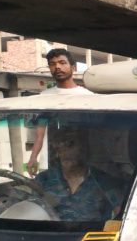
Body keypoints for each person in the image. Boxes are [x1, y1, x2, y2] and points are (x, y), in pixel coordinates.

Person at [27, 49, 93, 177]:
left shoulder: (87, 97)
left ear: (72, 67)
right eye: (53, 64)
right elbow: (40, 134)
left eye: (62, 63)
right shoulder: (44, 97)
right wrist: (33, 157)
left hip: (80, 162)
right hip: (49, 163)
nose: (57, 67)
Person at [36, 127, 124, 221]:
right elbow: (29, 210)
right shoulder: (43, 180)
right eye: (59, 148)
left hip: (92, 234)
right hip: (49, 233)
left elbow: (122, 215)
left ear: (84, 149)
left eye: (70, 145)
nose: (65, 152)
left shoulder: (103, 181)